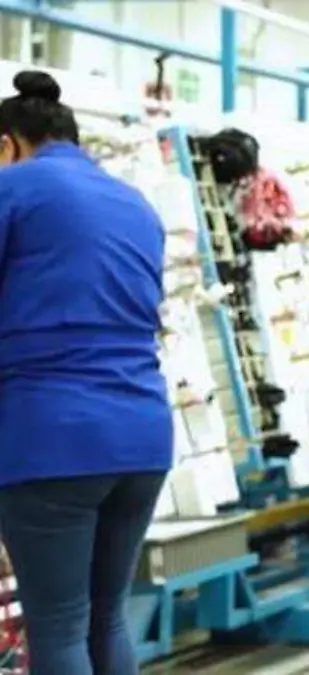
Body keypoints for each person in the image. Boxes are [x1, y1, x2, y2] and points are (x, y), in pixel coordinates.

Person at [0, 70, 172, 674]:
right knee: (106, 617)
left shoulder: (13, 189)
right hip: (143, 437)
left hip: (54, 435)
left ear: (6, 145)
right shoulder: (136, 204)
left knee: (57, 626)